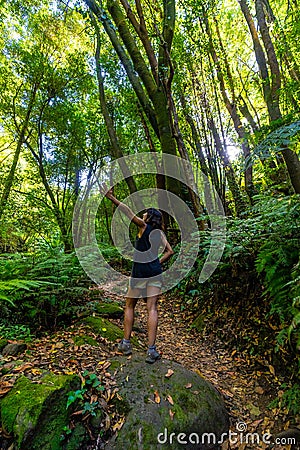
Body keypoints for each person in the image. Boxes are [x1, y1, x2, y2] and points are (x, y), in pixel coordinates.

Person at [102, 185, 174, 363]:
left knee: (129, 306)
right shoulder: (160, 234)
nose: (142, 215)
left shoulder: (144, 226)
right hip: (155, 273)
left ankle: (125, 343)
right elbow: (169, 252)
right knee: (152, 308)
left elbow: (127, 212)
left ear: (149, 217)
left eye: (145, 213)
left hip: (140, 273)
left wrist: (112, 198)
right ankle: (151, 350)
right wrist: (156, 263)